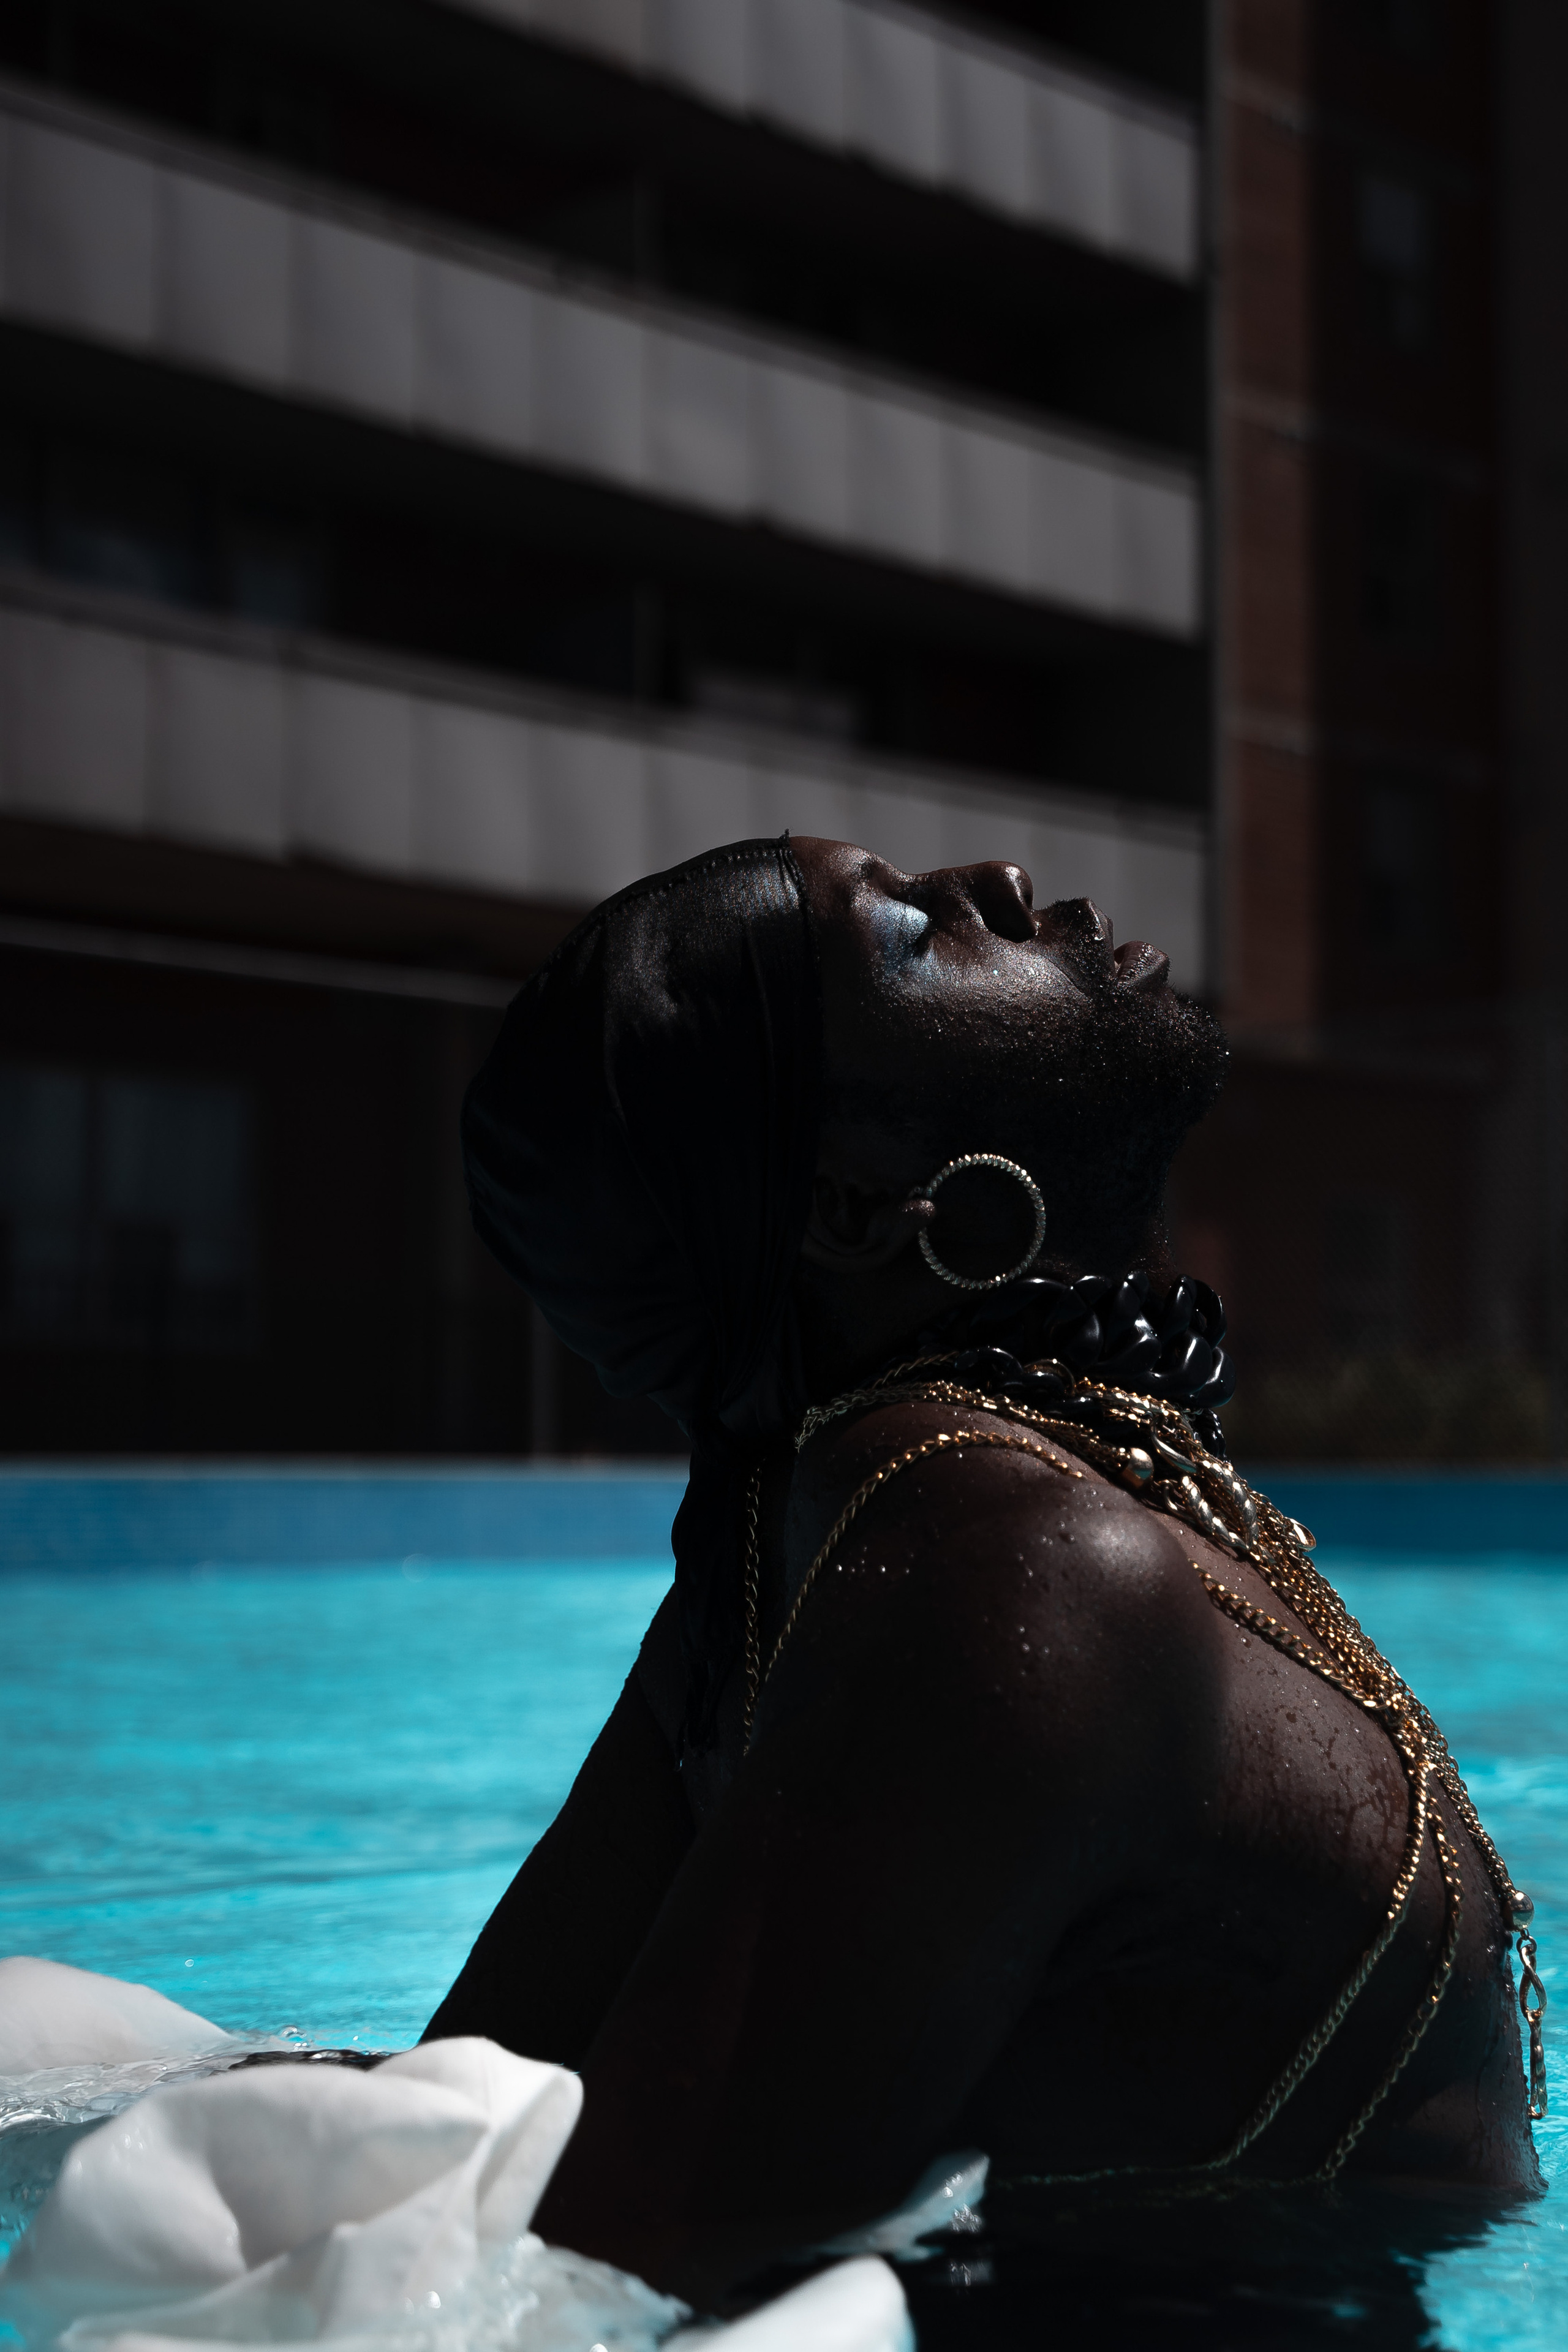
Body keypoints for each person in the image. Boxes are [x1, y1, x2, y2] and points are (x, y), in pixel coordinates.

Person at [424, 835, 1544, 2305]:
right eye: (907, 934)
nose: (1004, 882)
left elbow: (460, 2099)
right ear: (851, 1205)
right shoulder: (1013, 1560)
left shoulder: (811, 1557)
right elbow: (615, 2259)